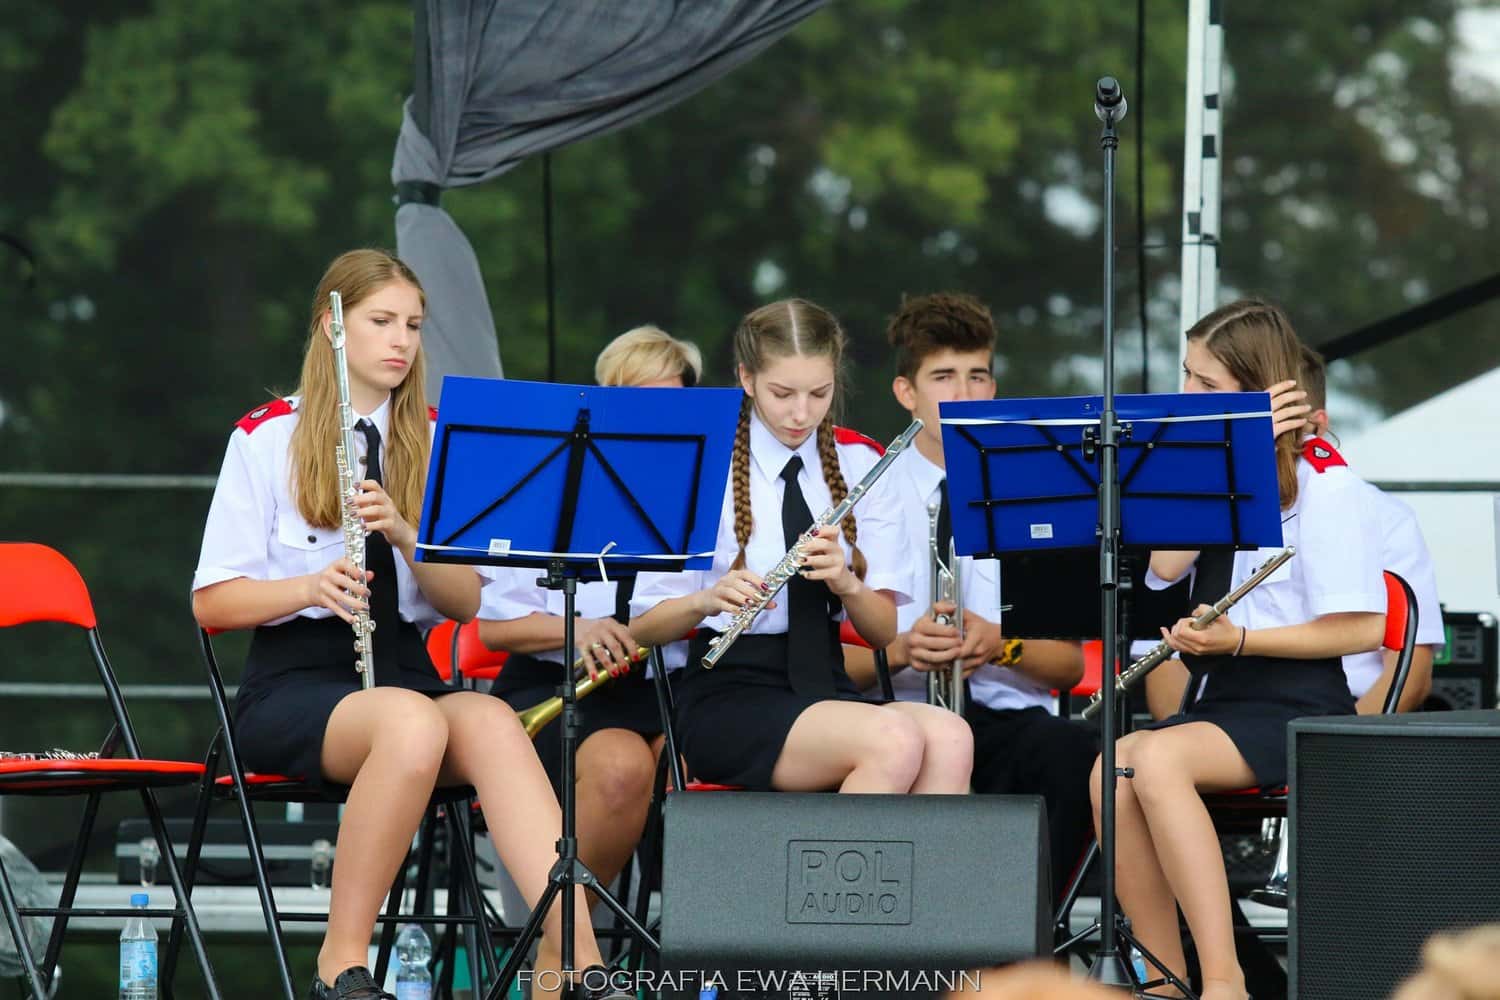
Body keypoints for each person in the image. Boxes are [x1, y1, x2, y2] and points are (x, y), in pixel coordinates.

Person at [191, 249, 629, 1000]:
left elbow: (464, 603)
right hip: (295, 685)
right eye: (381, 321)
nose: (401, 340)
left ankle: (575, 963)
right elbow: (212, 604)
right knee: (412, 724)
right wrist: (309, 585)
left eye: (414, 325)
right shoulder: (266, 438)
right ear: (332, 327)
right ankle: (340, 963)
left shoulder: (432, 439)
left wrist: (404, 532)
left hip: (404, 672)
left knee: (491, 720)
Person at [1092, 298, 1387, 1000]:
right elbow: (1165, 567)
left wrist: (1242, 638)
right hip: (1220, 698)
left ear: (1259, 392)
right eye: (1186, 375)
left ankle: (1226, 982)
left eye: (1208, 384)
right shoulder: (1209, 467)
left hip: (1299, 702)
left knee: (1156, 760)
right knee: (1111, 769)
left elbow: (1362, 629)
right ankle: (1165, 978)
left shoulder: (1327, 485)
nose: (1187, 394)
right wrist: (1229, 461)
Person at [630, 297, 972, 793]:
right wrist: (706, 600)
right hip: (729, 694)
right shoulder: (700, 462)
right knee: (893, 740)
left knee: (951, 736)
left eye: (819, 393)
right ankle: (841, 851)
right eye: (782, 393)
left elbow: (881, 633)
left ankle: (893, 852)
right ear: (747, 379)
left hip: (827, 684)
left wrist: (847, 583)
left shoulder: (861, 462)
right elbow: (643, 627)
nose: (801, 412)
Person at [841, 292, 1095, 895]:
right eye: (943, 377)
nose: (963, 394)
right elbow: (822, 665)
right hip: (891, 709)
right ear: (906, 392)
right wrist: (902, 650)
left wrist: (1003, 645)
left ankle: (1026, 930)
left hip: (1001, 716)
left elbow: (1068, 667)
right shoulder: (862, 492)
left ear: (994, 386)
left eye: (977, 376)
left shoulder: (1038, 491)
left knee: (1074, 753)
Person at [475, 325, 700, 973]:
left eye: (675, 406)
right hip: (560, 687)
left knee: (703, 771)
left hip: (665, 691)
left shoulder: (706, 492)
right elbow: (496, 630)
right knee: (622, 769)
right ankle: (571, 953)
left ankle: (576, 956)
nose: (659, 424)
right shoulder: (550, 486)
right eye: (641, 404)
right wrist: (579, 629)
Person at [1300, 344, 1444, 712]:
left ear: (1317, 424)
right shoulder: (1206, 516)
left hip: (1343, 717)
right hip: (1217, 720)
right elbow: (1167, 655)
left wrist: (1330, 741)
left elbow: (1410, 672)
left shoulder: (1387, 517)